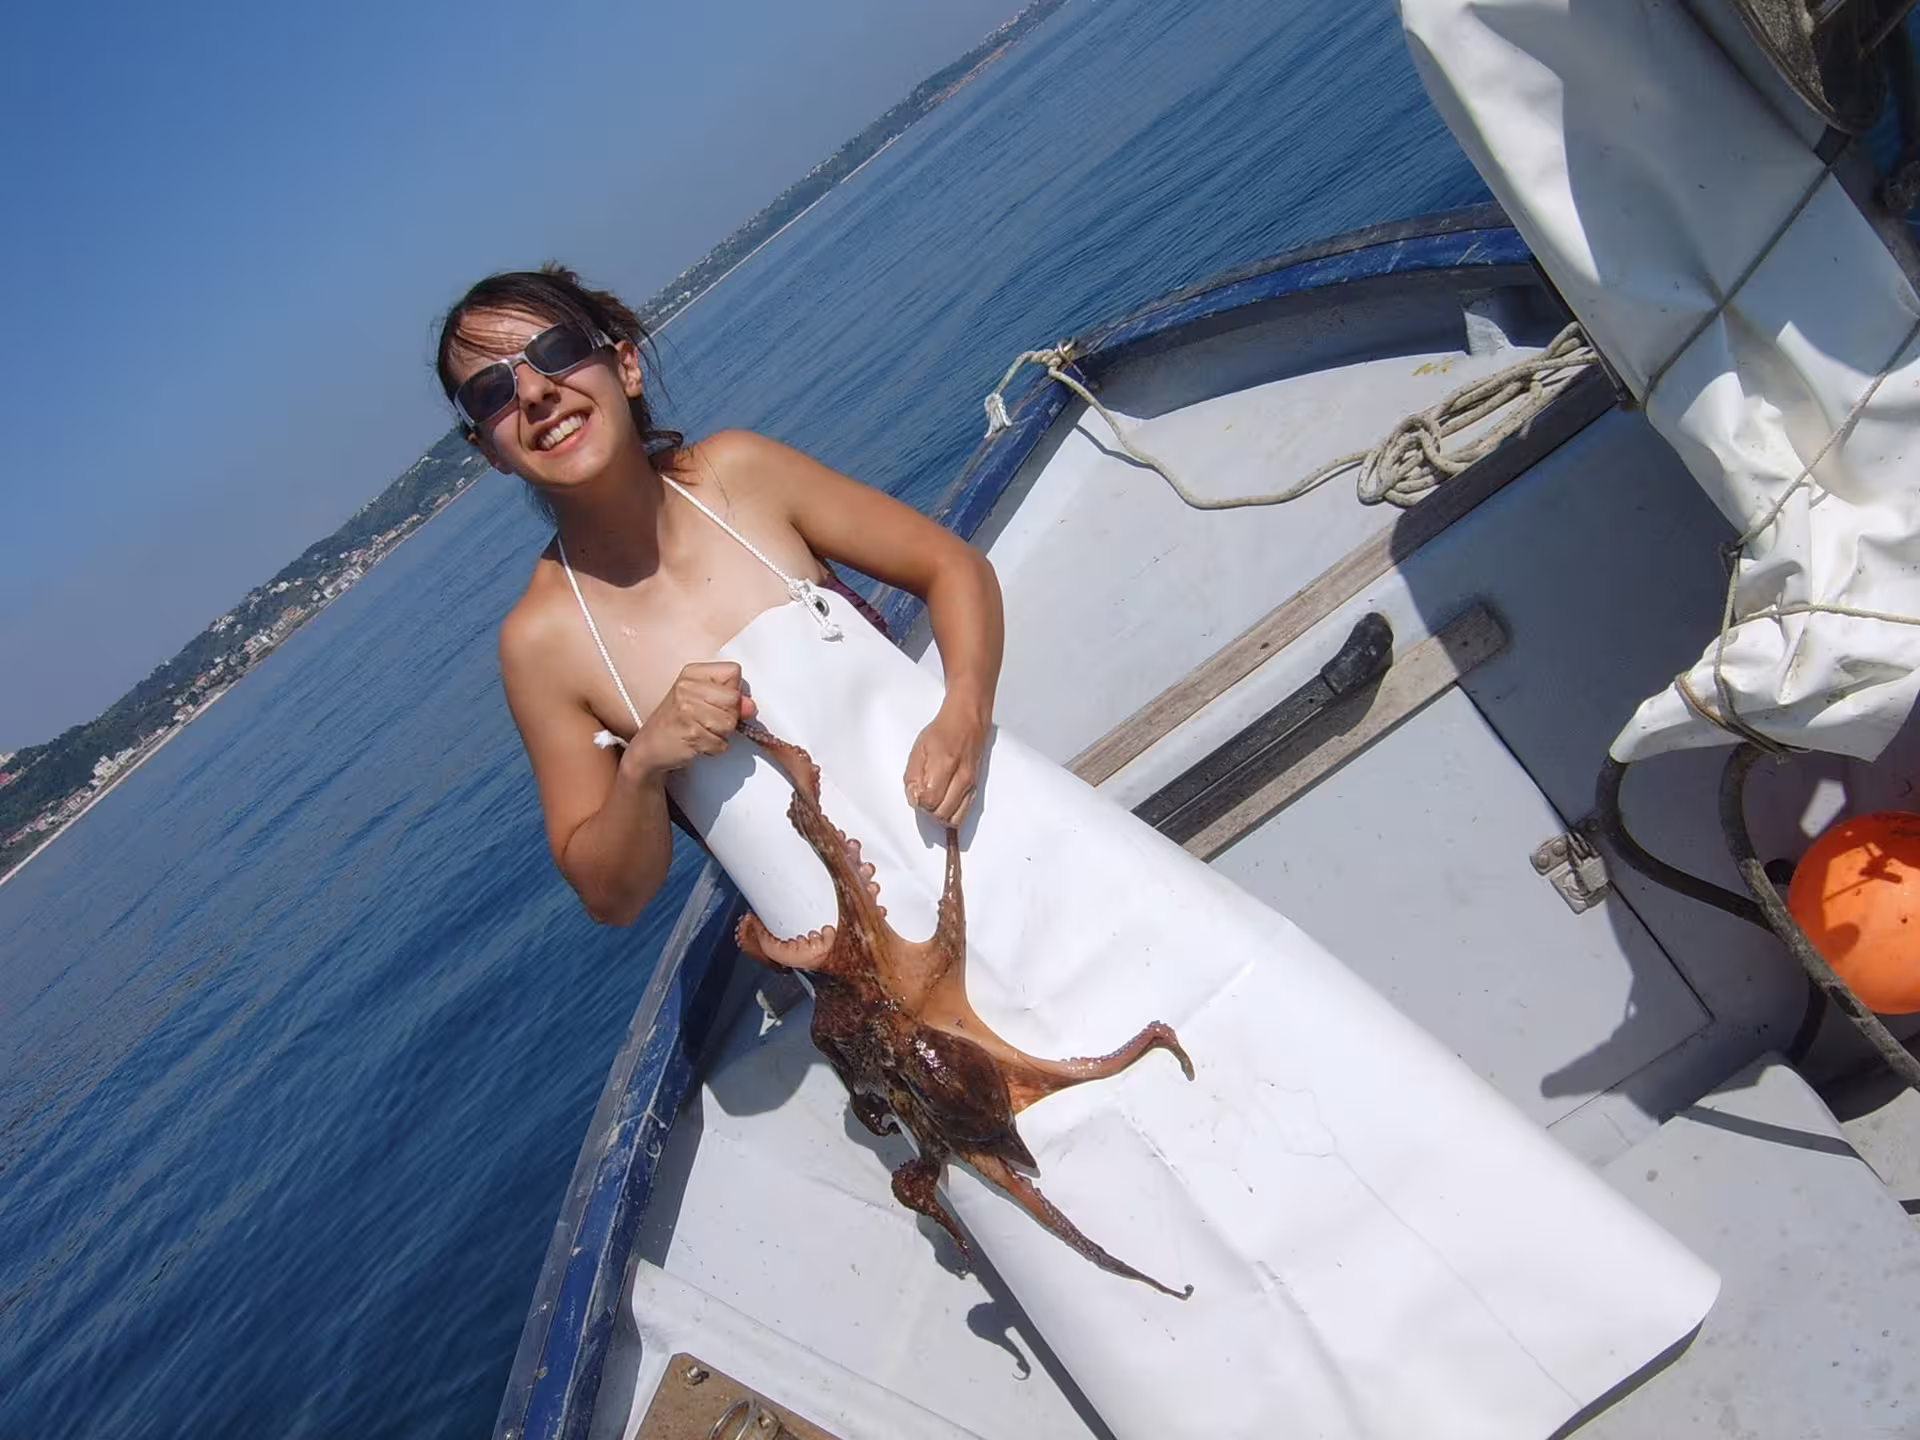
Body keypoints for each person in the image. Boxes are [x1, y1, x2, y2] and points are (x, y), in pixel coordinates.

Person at [435, 265, 1004, 925]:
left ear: (625, 367)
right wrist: (642, 765)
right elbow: (612, 896)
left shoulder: (742, 473)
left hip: (984, 823)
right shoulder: (541, 643)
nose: (534, 391)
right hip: (872, 962)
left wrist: (964, 707)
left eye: (555, 353)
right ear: (490, 451)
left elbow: (952, 566)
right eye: (491, 391)